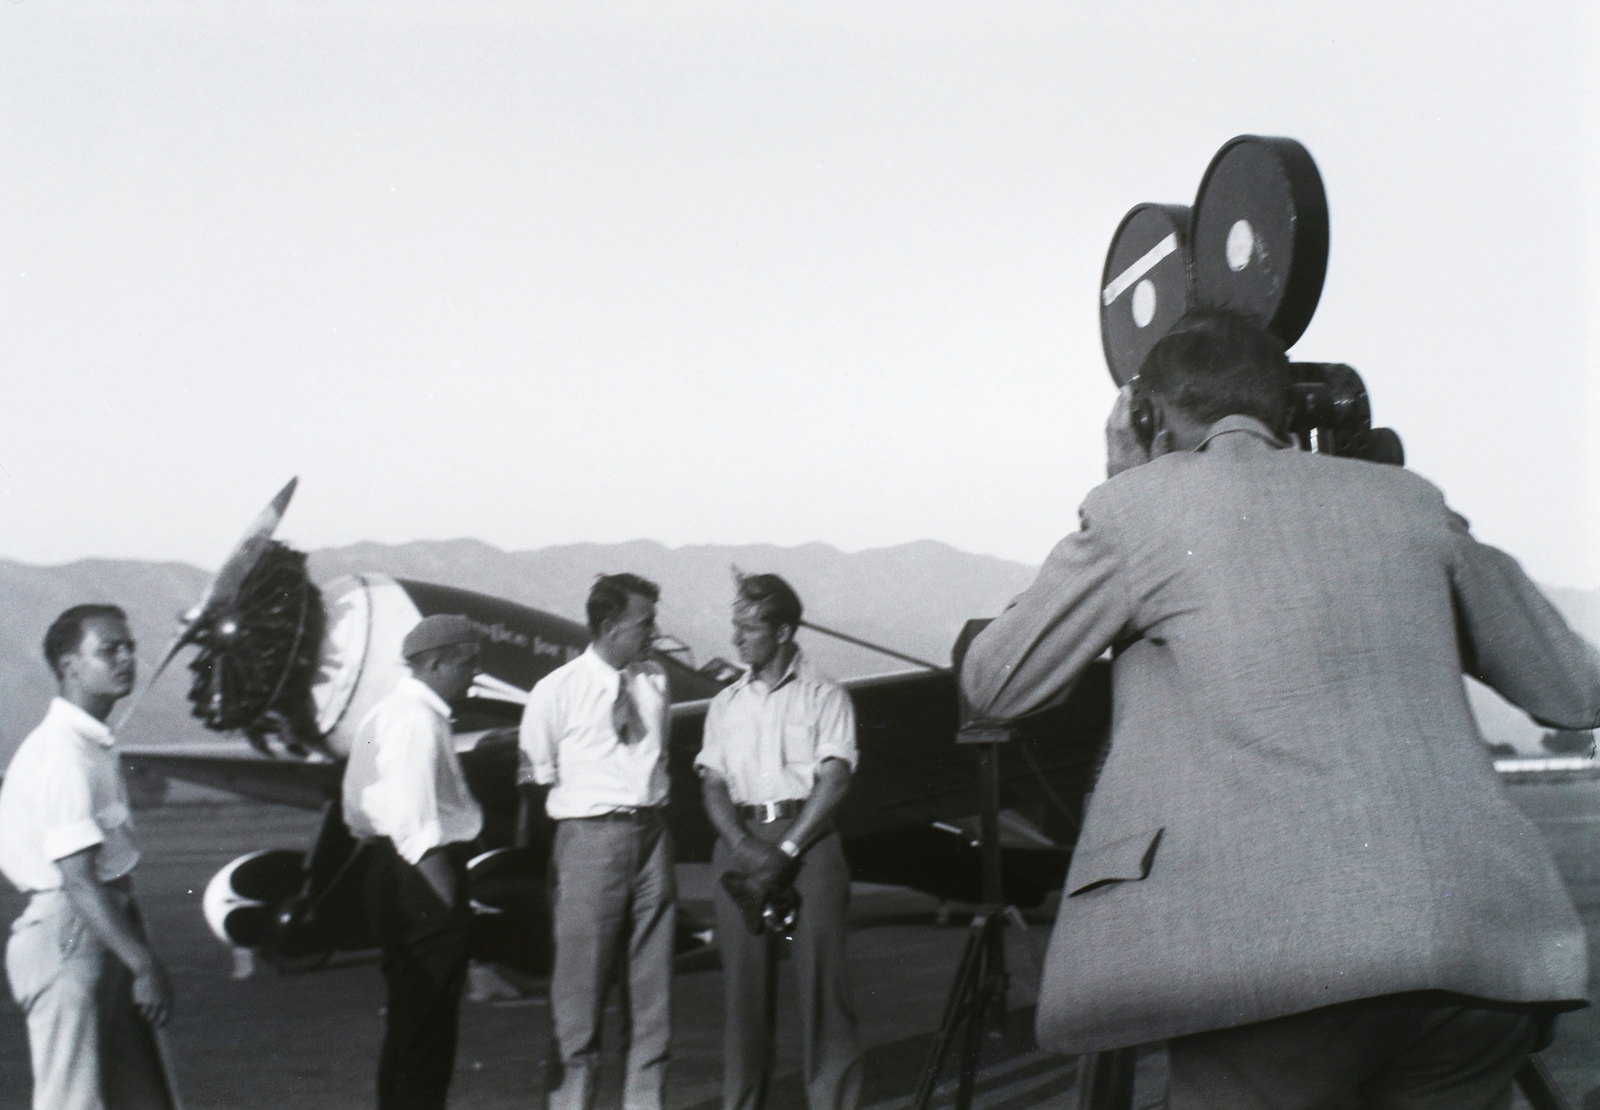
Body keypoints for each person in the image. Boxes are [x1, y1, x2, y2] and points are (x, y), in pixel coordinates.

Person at [960, 308, 1600, 1109]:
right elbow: (1576, 690)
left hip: (1284, 966)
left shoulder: (1141, 508)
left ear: (1148, 414)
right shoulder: (1410, 500)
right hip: (1478, 956)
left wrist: (1124, 483)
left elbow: (995, 682)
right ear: (1286, 407)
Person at [696, 573, 862, 1110]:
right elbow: (714, 782)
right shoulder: (725, 704)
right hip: (740, 846)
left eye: (748, 627)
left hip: (809, 848)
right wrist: (744, 849)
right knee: (745, 1002)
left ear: (785, 630)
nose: (737, 639)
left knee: (825, 998)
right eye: (735, 626)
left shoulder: (826, 695)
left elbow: (834, 779)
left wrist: (786, 852)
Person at [0, 604, 176, 1110]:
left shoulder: (90, 745)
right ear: (68, 665)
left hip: (101, 926)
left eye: (129, 648)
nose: (125, 658)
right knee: (71, 1100)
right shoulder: (62, 755)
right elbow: (78, 879)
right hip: (70, 928)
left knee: (133, 1095)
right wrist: (144, 966)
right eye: (108, 649)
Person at [519, 573, 675, 1110]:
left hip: (652, 836)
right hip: (588, 840)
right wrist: (573, 854)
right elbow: (534, 784)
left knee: (652, 988)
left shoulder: (655, 680)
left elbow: (659, 758)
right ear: (609, 627)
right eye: (645, 622)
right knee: (579, 992)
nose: (655, 632)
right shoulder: (554, 692)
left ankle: (643, 1102)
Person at [342, 613, 485, 1110]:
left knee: (411, 1025)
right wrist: (450, 909)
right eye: (469, 663)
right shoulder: (417, 723)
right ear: (438, 663)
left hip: (392, 871)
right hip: (420, 879)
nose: (474, 675)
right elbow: (416, 828)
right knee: (426, 1030)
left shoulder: (387, 713)